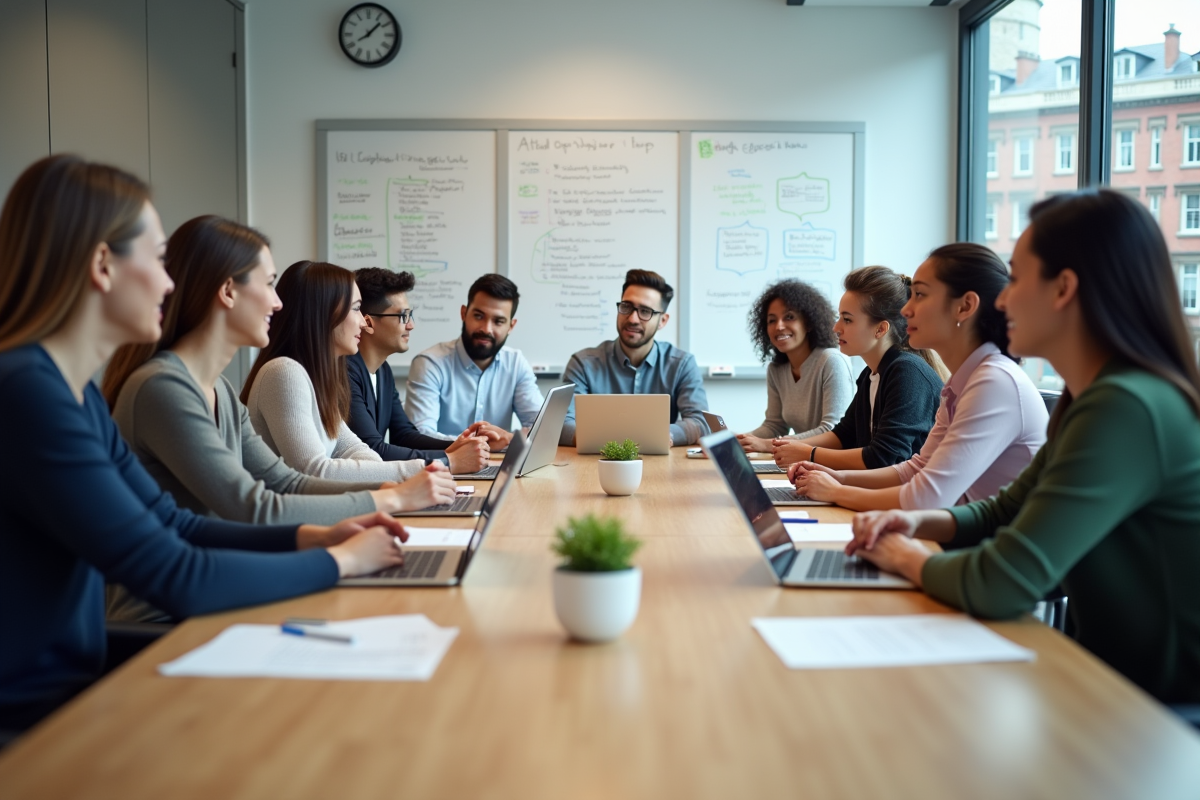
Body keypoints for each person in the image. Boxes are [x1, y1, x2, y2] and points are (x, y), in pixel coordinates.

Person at [0, 156, 407, 731]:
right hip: (38, 716)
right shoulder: (27, 394)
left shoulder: (77, 396)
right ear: (101, 265)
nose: (168, 283)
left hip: (77, 682)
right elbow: (174, 571)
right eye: (157, 259)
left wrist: (316, 534)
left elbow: (174, 522)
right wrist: (337, 560)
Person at [846, 190, 1200, 705]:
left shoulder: (1127, 406)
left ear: (1064, 289)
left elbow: (1002, 580)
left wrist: (903, 557)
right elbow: (1007, 510)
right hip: (1104, 684)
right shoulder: (1092, 396)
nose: (1004, 299)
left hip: (1157, 714)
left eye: (1017, 277)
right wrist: (917, 524)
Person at [104, 216, 456, 525]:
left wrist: (388, 491)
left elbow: (287, 483)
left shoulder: (222, 391)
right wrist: (394, 496)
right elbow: (251, 507)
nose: (278, 302)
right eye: (269, 283)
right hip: (185, 592)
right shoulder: (164, 388)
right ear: (228, 291)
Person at [789, 244, 1047, 511]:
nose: (906, 310)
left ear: (965, 306)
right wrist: (836, 477)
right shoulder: (961, 385)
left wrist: (838, 491)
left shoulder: (994, 383)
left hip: (988, 544)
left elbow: (928, 497)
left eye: (920, 295)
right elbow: (916, 470)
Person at [240, 261, 458, 490]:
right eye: (356, 309)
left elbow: (352, 448)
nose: (364, 322)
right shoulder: (284, 372)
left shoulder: (321, 376)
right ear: (323, 313)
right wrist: (431, 467)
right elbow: (315, 470)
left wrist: (384, 482)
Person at [770, 266, 945, 469]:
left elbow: (884, 458)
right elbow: (844, 435)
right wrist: (790, 446)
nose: (836, 328)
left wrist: (809, 454)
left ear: (880, 329)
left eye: (847, 319)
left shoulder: (907, 372)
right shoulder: (871, 374)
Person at [347, 268, 489, 473]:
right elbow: (373, 450)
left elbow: (403, 435)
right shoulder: (346, 372)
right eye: (403, 316)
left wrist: (458, 446)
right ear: (368, 322)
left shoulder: (382, 370)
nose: (411, 325)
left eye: (410, 315)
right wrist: (450, 459)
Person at [559, 269, 709, 447]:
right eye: (626, 307)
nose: (632, 318)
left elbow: (699, 422)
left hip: (660, 465)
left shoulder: (682, 364)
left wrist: (664, 435)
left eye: (645, 311)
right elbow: (561, 424)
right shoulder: (583, 363)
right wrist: (623, 440)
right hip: (597, 465)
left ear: (662, 321)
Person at [404, 274, 543, 449]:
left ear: (511, 326)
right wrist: (480, 444)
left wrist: (508, 438)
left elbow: (541, 428)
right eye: (478, 316)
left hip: (498, 467)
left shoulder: (515, 363)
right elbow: (420, 435)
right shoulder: (430, 363)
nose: (486, 329)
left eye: (498, 321)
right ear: (464, 313)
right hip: (443, 468)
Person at [736, 279, 855, 454]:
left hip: (835, 465)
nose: (779, 326)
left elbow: (833, 429)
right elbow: (774, 425)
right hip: (803, 462)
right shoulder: (776, 370)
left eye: (789, 317)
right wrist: (740, 441)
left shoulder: (831, 361)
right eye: (771, 320)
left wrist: (769, 445)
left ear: (808, 323)